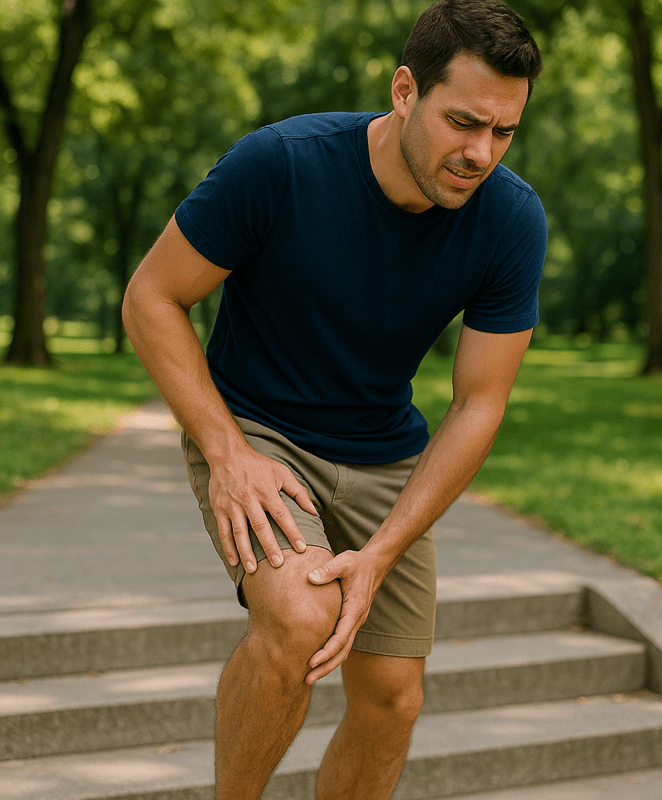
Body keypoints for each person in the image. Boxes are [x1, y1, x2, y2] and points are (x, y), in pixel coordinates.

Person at [122, 0, 546, 797]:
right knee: (299, 617)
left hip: (385, 449)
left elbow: (478, 404)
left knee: (392, 698)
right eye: (462, 122)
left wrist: (381, 553)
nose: (480, 153)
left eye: (503, 132)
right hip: (258, 430)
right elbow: (151, 298)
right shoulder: (281, 164)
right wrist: (227, 453)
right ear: (404, 89)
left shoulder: (512, 220)